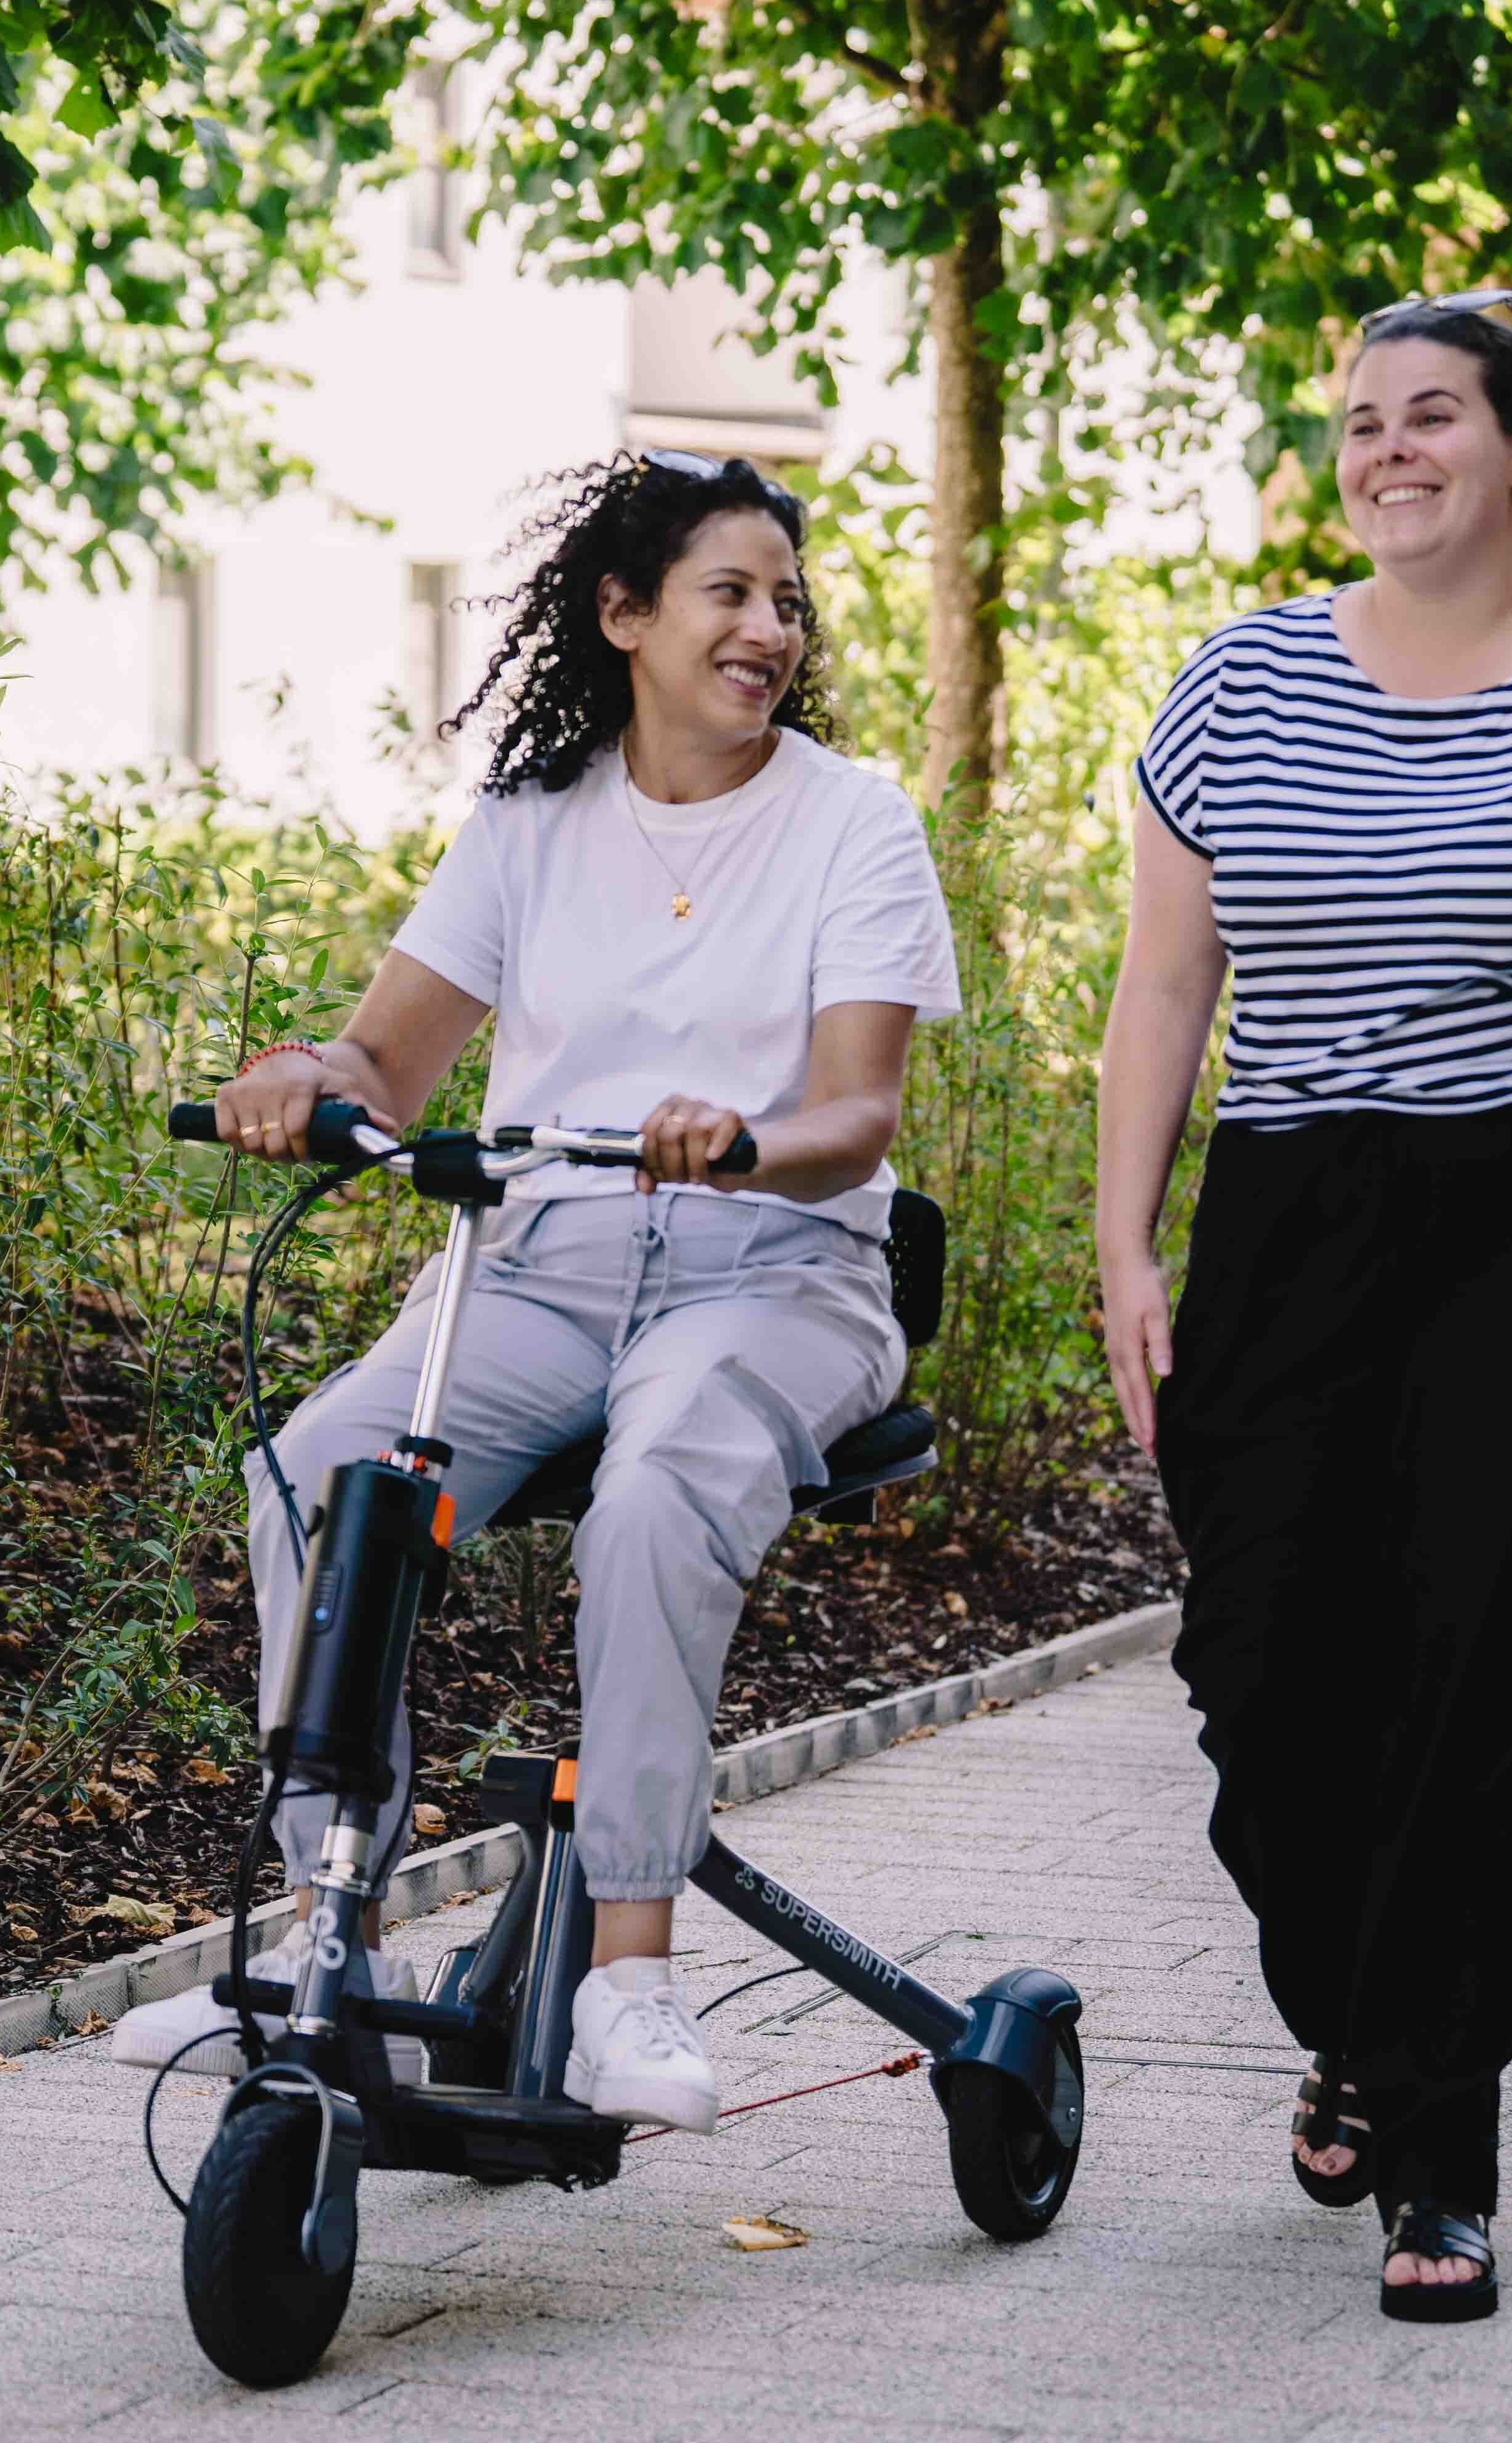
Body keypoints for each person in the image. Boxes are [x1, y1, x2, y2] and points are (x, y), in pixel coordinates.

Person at [110, 449, 960, 2132]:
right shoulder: (529, 825)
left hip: (775, 1268)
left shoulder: (852, 823)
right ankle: (331, 1950)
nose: (770, 630)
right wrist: (302, 1076)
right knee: (315, 1474)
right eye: (730, 595)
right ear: (626, 614)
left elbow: (859, 1114)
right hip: (544, 1269)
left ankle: (630, 1980)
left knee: (654, 1498)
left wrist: (742, 1142)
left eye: (787, 603)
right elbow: (386, 1061)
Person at [1091, 291, 1512, 2319]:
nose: (1392, 448)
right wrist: (1125, 1249)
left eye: (1436, 416)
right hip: (1294, 1215)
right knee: (1261, 1669)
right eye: (1363, 421)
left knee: (1485, 1684)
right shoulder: (1238, 686)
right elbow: (1165, 986)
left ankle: (1438, 2145)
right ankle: (1367, 2023)